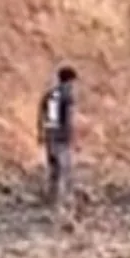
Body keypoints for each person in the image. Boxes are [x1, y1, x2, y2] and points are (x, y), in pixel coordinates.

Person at [38, 65, 77, 206]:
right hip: (61, 135)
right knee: (64, 167)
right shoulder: (67, 96)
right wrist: (71, 136)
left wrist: (40, 133)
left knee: (53, 166)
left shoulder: (49, 95)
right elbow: (68, 118)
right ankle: (61, 199)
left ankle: (50, 195)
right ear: (70, 81)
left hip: (49, 133)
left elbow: (41, 115)